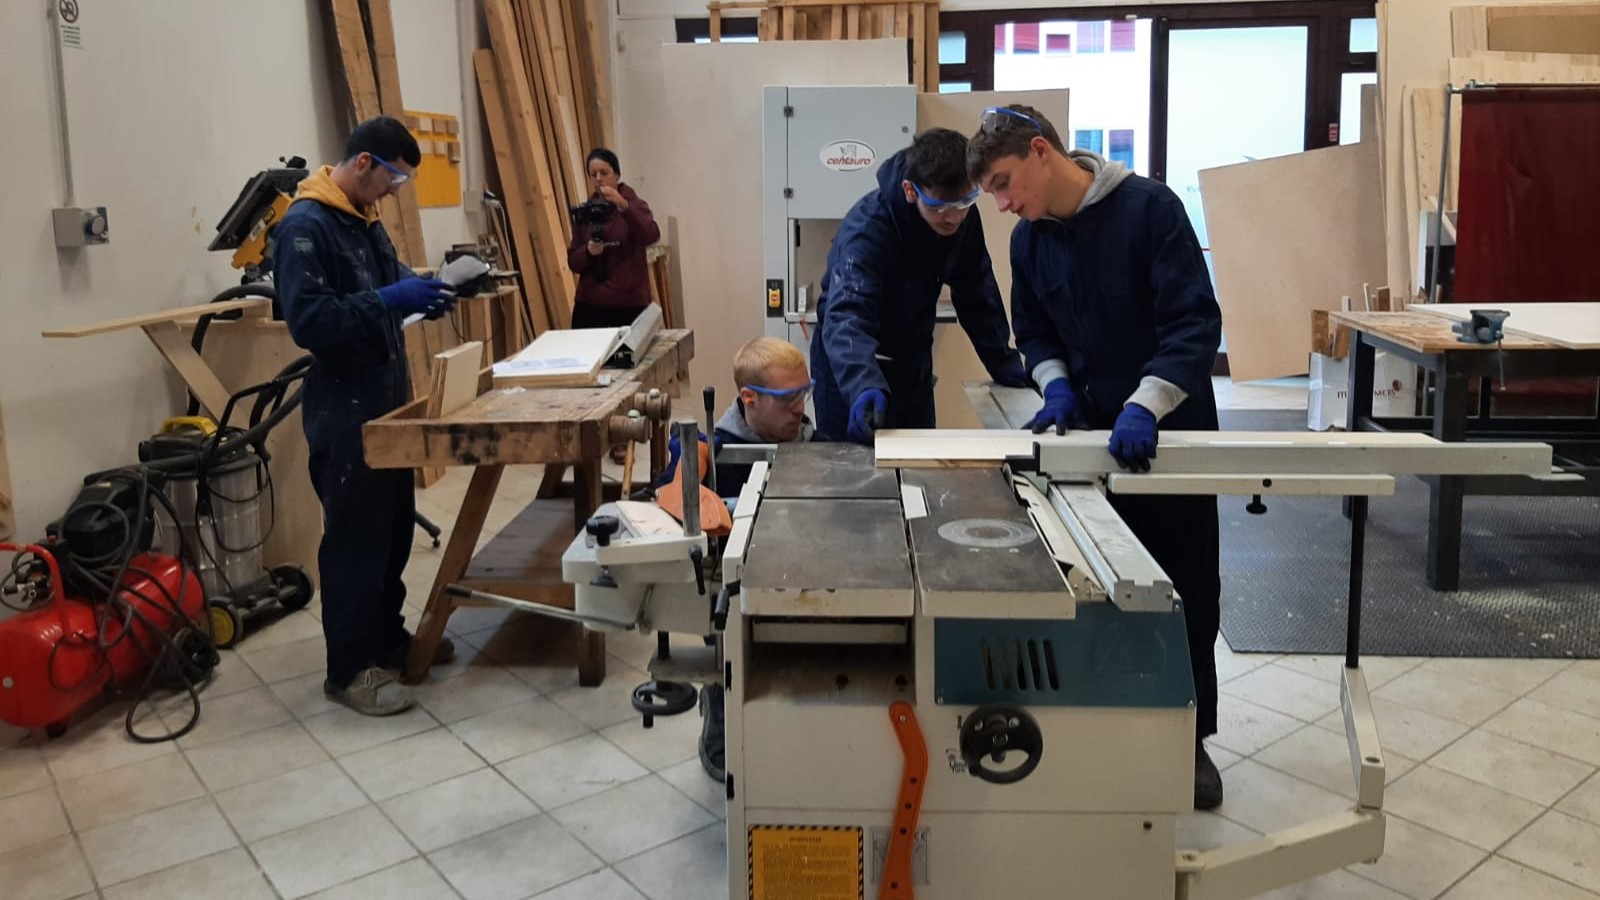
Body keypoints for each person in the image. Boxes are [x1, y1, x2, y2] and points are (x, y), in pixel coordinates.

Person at [966, 104, 1225, 809]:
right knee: (1100, 587)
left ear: (1041, 151)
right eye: (992, 193)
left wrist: (1146, 403)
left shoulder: (1150, 211)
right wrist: (1054, 388)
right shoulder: (1031, 240)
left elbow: (1193, 324)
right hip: (1088, 443)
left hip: (1164, 431)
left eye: (1004, 182)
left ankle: (1190, 739)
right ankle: (1112, 728)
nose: (1002, 203)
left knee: (1182, 590)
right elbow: (1034, 330)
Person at [273, 116, 457, 716]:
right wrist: (387, 300)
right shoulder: (306, 226)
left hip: (386, 402)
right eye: (393, 179)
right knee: (355, 541)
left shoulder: (363, 218)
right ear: (363, 163)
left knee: (394, 530)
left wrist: (427, 290)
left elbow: (389, 282)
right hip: (344, 407)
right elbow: (311, 321)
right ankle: (349, 671)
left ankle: (386, 640)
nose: (394, 192)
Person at [659, 337, 814, 782]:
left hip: (793, 577)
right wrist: (689, 469)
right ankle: (718, 702)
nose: (799, 409)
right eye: (787, 398)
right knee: (730, 655)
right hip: (730, 590)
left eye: (805, 393)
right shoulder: (716, 448)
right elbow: (674, 486)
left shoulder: (810, 441)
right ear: (749, 398)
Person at [810, 128, 1028, 444]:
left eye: (965, 202)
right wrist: (862, 384)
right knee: (852, 464)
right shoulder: (868, 230)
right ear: (910, 191)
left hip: (911, 361)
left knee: (918, 458)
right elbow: (847, 317)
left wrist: (1004, 364)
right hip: (850, 364)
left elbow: (977, 294)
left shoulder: (963, 218)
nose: (953, 217)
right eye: (939, 207)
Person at [566, 148, 661, 329]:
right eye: (593, 174)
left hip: (629, 305)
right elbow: (573, 262)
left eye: (604, 173)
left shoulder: (634, 205)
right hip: (590, 304)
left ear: (616, 175)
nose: (599, 179)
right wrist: (588, 252)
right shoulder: (585, 212)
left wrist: (624, 206)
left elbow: (651, 235)